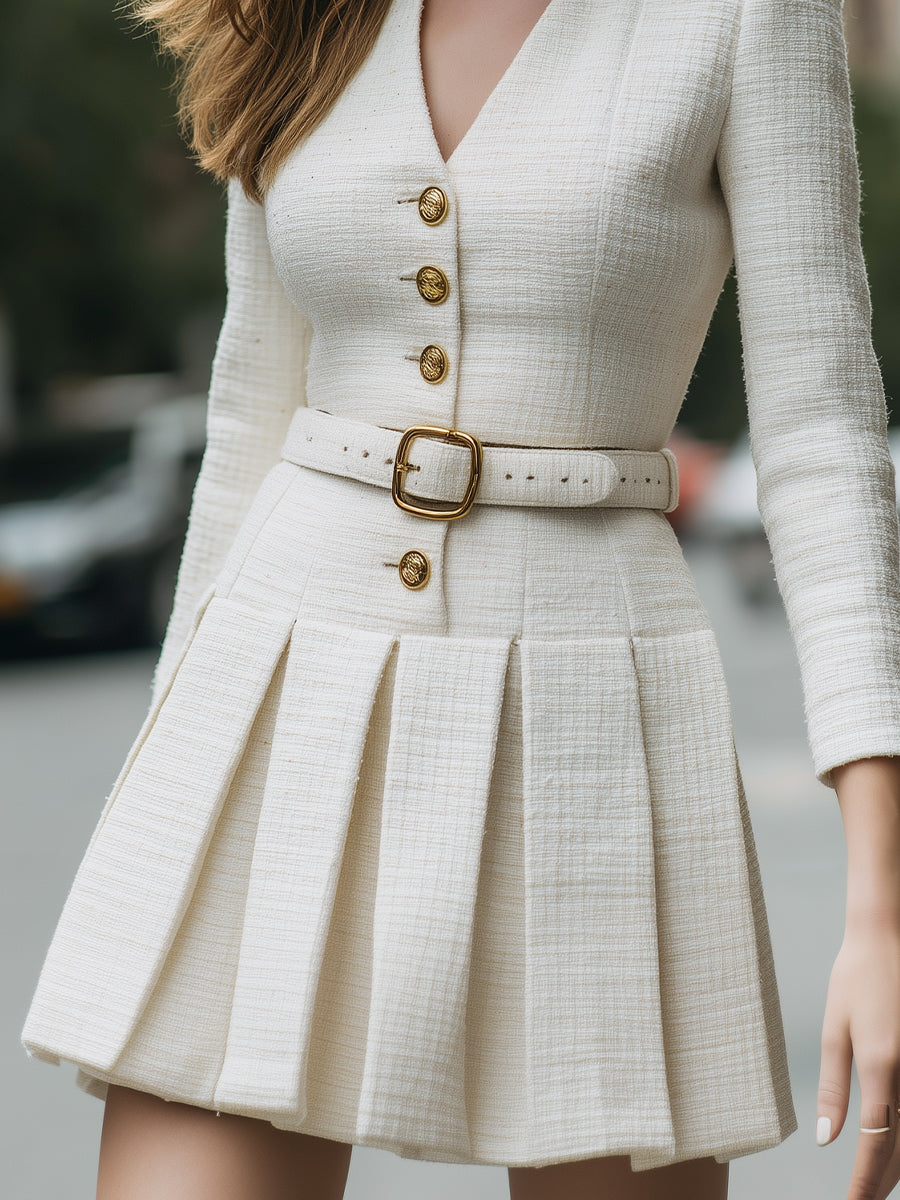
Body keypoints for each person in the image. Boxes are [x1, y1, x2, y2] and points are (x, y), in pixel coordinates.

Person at [20, 0, 900, 1197]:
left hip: (595, 715)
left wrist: (882, 908)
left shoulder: (740, 16)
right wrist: (171, 790)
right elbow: (248, 415)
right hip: (277, 676)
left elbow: (819, 440)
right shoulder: (301, 16)